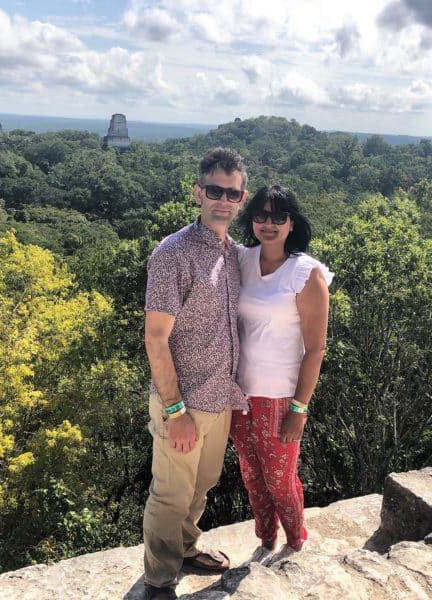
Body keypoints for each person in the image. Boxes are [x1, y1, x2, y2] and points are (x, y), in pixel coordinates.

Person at [142, 147, 250, 600]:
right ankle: (160, 579)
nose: (223, 200)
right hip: (182, 401)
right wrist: (175, 410)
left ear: (241, 199)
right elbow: (155, 338)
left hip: (220, 397)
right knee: (170, 493)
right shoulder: (174, 253)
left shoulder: (235, 256)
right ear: (198, 192)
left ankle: (186, 548)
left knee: (201, 486)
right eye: (214, 190)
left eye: (233, 192)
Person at [231, 184, 332, 566]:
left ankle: (295, 541)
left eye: (278, 217)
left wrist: (299, 408)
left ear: (292, 223)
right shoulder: (243, 260)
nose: (268, 224)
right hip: (240, 393)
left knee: (279, 478)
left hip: (280, 395)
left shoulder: (306, 273)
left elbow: (316, 348)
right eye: (261, 215)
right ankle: (265, 539)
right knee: (252, 475)